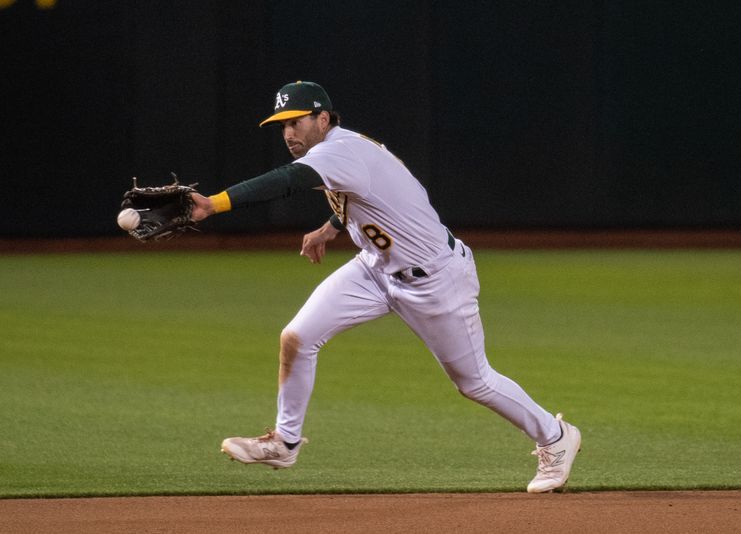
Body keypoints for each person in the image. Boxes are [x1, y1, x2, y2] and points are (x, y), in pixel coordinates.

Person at [191, 81, 581, 493]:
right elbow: (369, 196)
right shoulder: (339, 150)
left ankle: (556, 437)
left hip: (434, 279)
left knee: (474, 382)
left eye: (296, 121)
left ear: (323, 118)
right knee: (297, 338)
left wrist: (214, 204)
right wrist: (330, 228)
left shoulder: (338, 151)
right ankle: (285, 443)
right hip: (374, 269)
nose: (288, 133)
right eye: (281, 125)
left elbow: (287, 181)